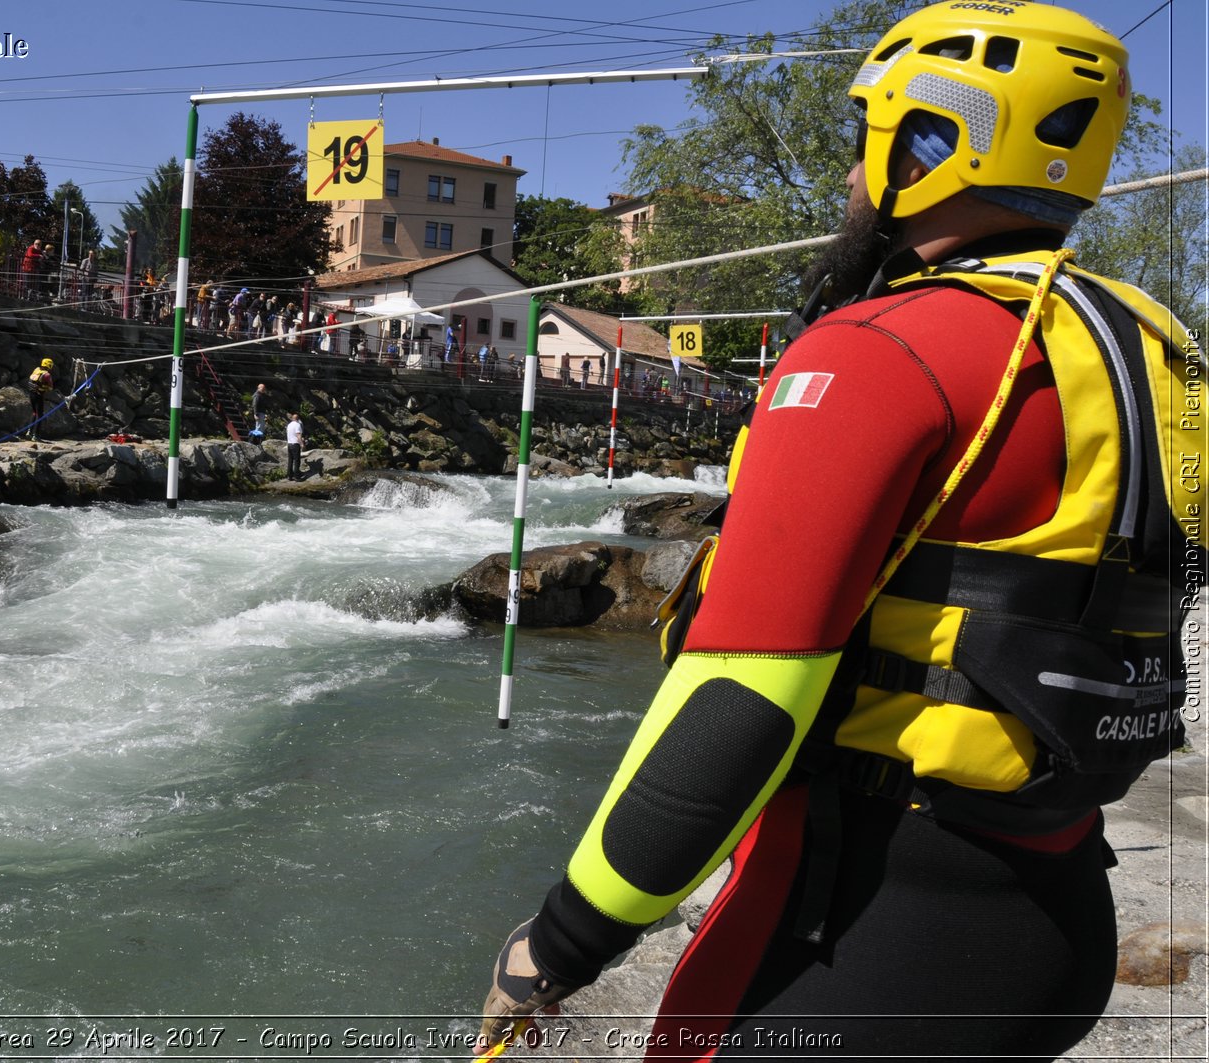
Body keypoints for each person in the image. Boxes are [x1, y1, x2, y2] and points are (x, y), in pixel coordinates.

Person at [478, 4, 1198, 1061]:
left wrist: (561, 940)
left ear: (930, 143)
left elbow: (742, 699)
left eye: (867, 140)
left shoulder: (875, 350)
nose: (851, 180)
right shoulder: (1157, 347)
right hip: (1056, 912)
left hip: (865, 936)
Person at [27, 357, 56, 442]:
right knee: (40, 415)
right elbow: (50, 388)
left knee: (34, 413)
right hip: (39, 395)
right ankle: (36, 436)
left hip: (31, 394)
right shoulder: (47, 375)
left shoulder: (36, 370)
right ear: (49, 365)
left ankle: (29, 432)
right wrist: (45, 387)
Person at [284, 411, 304, 481]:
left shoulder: (289, 425)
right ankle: (297, 477)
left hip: (289, 444)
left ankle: (289, 476)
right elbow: (298, 435)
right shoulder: (297, 425)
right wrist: (301, 443)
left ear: (292, 418)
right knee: (297, 461)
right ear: (298, 419)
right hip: (295, 444)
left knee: (290, 460)